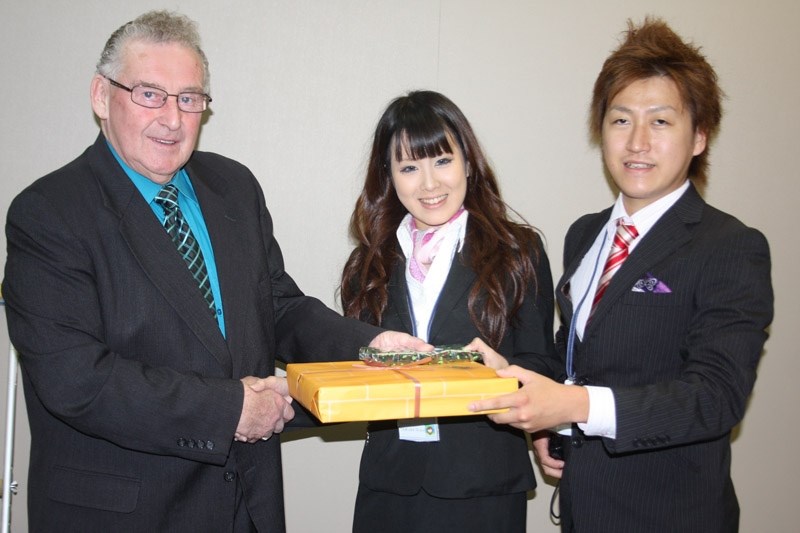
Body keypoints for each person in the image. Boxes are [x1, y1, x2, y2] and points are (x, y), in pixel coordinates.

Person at [2, 10, 428, 532]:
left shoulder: (233, 187)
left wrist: (371, 344)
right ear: (100, 96)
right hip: (127, 514)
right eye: (149, 94)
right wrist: (229, 411)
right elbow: (75, 380)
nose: (173, 118)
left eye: (189, 99)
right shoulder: (49, 212)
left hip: (247, 504)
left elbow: (277, 306)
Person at [468, 17, 774, 532]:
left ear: (699, 136)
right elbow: (581, 351)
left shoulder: (730, 247)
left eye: (660, 121)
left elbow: (716, 397)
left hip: (672, 514)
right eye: (620, 120)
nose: (637, 142)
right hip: (585, 507)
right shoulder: (584, 234)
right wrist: (547, 410)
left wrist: (572, 403)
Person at [340, 90, 561, 533]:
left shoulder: (519, 251)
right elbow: (352, 368)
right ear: (389, 176)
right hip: (389, 485)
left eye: (442, 161)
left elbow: (542, 363)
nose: (429, 184)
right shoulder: (367, 264)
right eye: (408, 167)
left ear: (468, 162)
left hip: (483, 485)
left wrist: (506, 375)